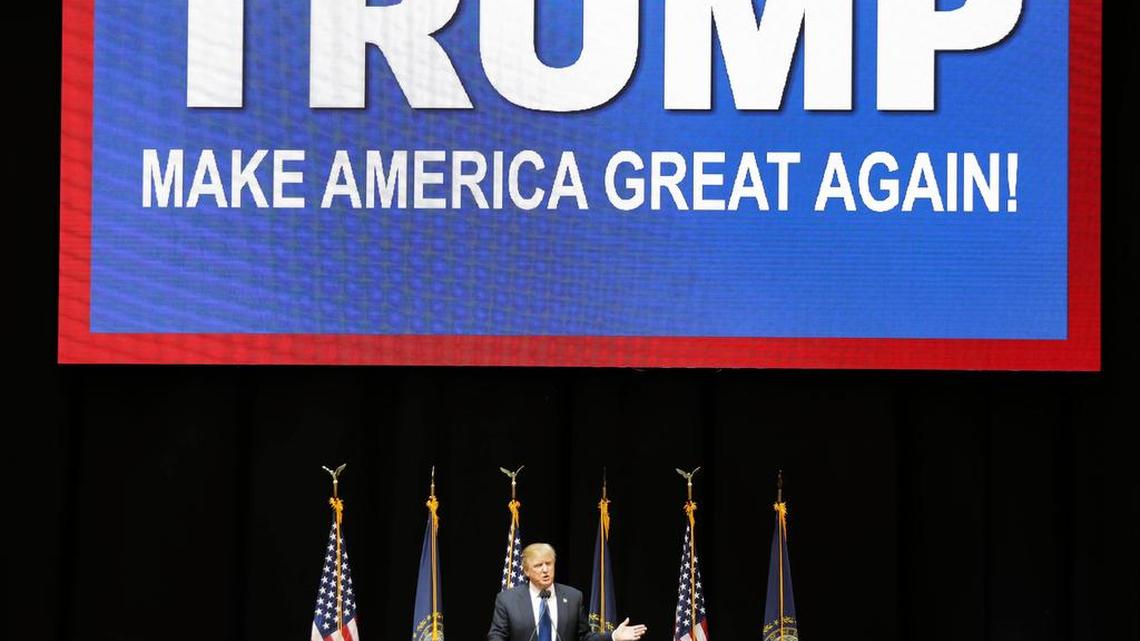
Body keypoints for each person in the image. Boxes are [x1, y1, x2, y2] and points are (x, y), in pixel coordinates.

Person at [488, 543, 647, 641]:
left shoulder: (573, 597)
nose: (545, 570)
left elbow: (584, 637)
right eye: (538, 565)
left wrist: (613, 636)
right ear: (526, 571)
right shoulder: (507, 600)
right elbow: (496, 637)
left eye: (548, 564)